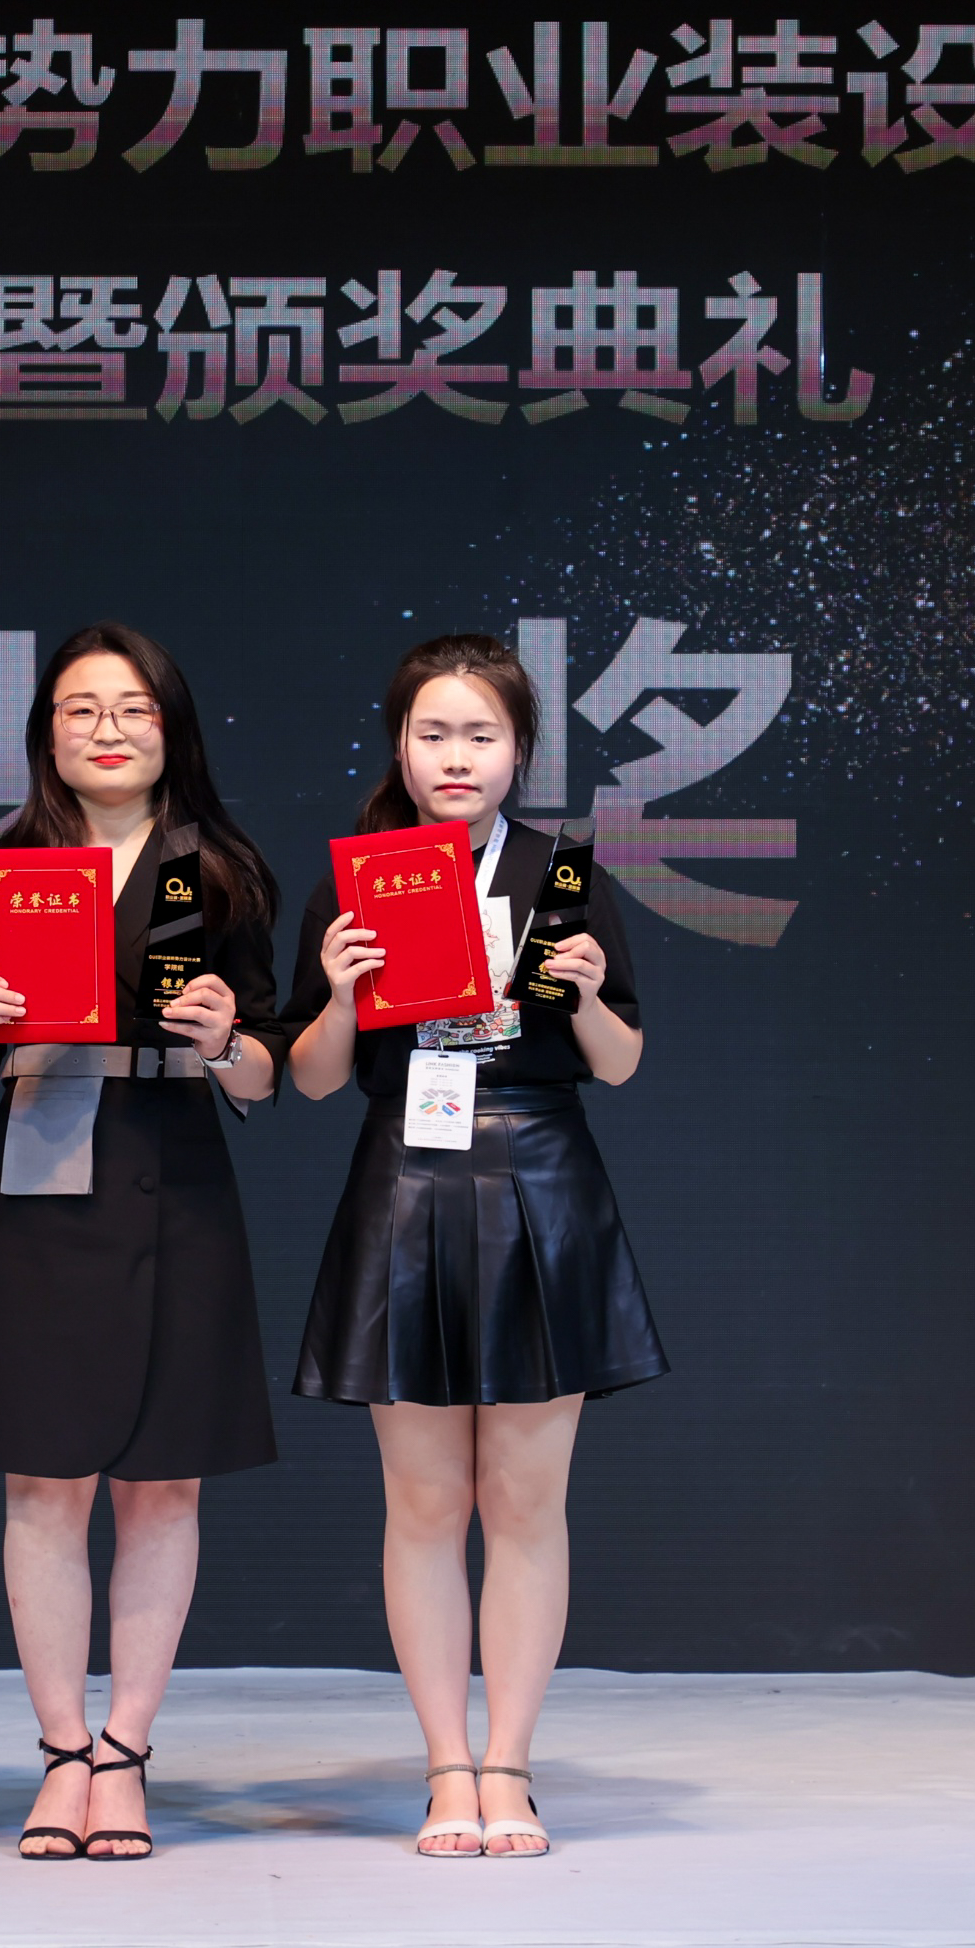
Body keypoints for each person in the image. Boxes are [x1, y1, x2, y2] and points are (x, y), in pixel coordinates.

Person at [282, 632, 666, 1859]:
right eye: (433, 733)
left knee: (524, 1500)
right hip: (405, 1179)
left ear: (518, 750)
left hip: (541, 1179)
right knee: (425, 1501)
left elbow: (620, 1062)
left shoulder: (565, 876)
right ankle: (446, 1766)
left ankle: (510, 1766)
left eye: (481, 735)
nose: (456, 757)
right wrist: (338, 992)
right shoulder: (358, 880)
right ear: (398, 745)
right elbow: (311, 1080)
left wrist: (587, 993)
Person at [0, 623, 289, 1861]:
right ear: (47, 734)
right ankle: (58, 1752)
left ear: (169, 726)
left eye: (132, 707)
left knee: (161, 1484)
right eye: (80, 709)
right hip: (40, 1184)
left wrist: (225, 1038)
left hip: (175, 1182)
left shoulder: (221, 870)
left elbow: (265, 1074)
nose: (107, 730)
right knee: (42, 1484)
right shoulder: (1, 869)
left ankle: (125, 1751)